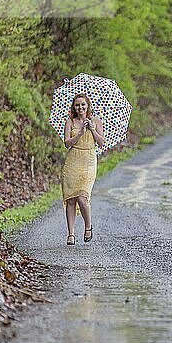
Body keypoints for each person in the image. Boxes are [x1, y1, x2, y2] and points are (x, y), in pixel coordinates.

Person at [62, 93, 105, 245]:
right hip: (72, 161)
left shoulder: (96, 121)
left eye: (83, 104)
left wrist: (92, 130)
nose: (80, 107)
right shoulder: (70, 122)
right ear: (74, 107)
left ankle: (88, 226)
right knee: (71, 199)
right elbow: (67, 143)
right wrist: (80, 133)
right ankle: (71, 234)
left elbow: (101, 142)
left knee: (82, 197)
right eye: (77, 105)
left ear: (88, 106)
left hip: (89, 160)